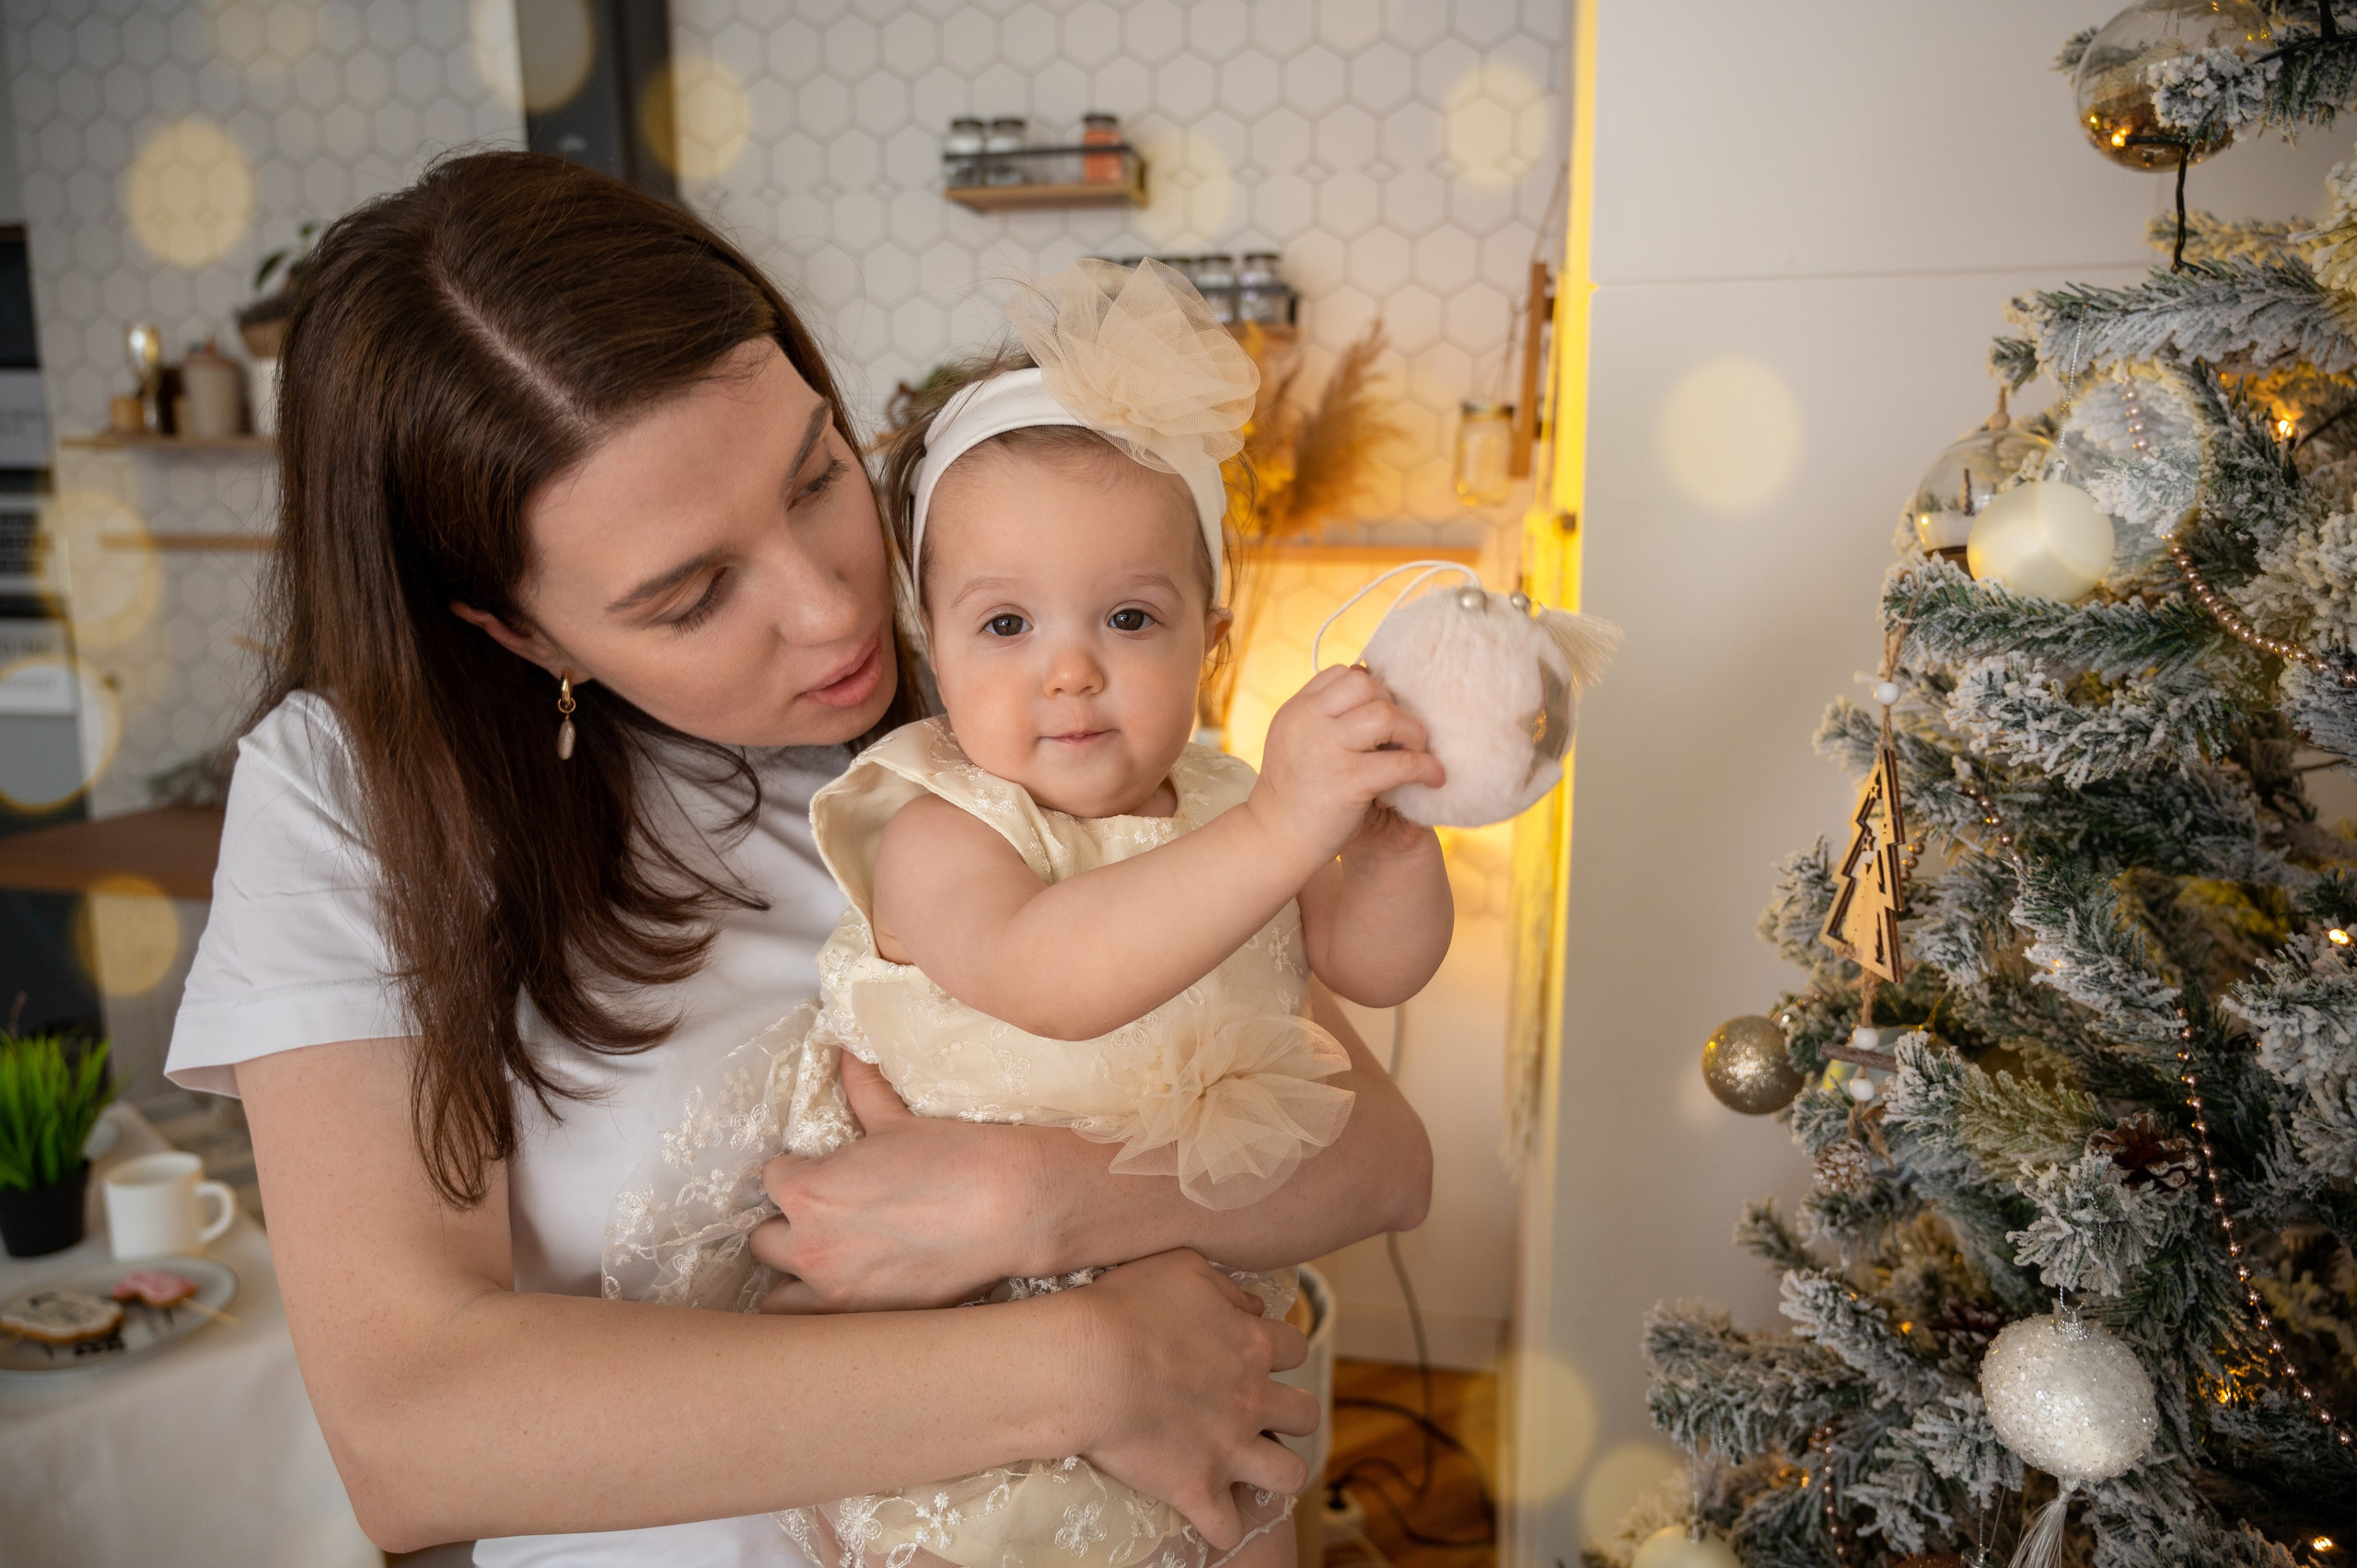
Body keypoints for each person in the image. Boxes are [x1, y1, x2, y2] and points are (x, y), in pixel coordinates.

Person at [161, 152, 1433, 1568]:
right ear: (518, 633)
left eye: (818, 475)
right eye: (693, 595)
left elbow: (1376, 1157)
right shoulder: (355, 796)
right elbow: (415, 1431)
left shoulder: (985, 703)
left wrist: (1028, 1201)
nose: (835, 609)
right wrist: (1083, 1364)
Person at [605, 260, 1454, 1568]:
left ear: (1209, 646)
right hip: (962, 1333)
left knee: (1238, 1524)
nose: (1069, 669)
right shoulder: (936, 814)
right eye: (1005, 622)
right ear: (936, 649)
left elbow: (1371, 968)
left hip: (1200, 1311)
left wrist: (1388, 853)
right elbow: (1044, 973)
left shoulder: (1224, 796)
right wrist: (1286, 828)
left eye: (1128, 616)